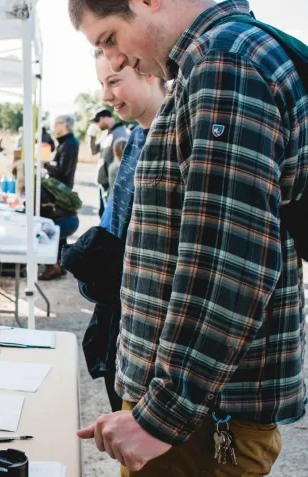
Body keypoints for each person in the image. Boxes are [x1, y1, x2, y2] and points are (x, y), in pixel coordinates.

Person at [70, 0, 307, 474]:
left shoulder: (227, 61)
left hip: (201, 421)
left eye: (111, 38)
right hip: (197, 413)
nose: (113, 60)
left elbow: (229, 262)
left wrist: (162, 416)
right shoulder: (217, 59)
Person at [64, 48, 167, 417]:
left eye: (113, 81)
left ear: (149, 70)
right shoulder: (140, 136)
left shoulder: (173, 139)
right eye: (101, 84)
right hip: (126, 331)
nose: (105, 96)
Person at [88, 108, 128, 217]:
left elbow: (122, 160)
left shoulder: (120, 133)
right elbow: (94, 151)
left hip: (111, 184)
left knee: (109, 218)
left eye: (97, 120)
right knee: (102, 215)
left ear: (106, 118)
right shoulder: (105, 133)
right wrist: (91, 136)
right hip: (102, 182)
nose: (96, 124)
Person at [45, 114, 80, 189]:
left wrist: (46, 165)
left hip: (61, 189)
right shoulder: (65, 142)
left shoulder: (69, 144)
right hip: (60, 186)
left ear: (64, 125)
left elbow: (62, 171)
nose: (54, 127)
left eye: (56, 124)